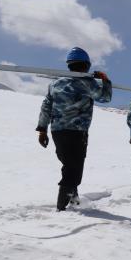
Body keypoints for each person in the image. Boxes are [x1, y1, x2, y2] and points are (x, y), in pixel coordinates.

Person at [36, 47, 112, 211]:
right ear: (86, 65)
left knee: (69, 165)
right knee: (74, 170)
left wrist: (42, 129)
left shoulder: (55, 84)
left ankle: (73, 197)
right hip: (77, 132)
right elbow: (105, 98)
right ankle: (61, 207)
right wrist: (105, 81)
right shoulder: (88, 83)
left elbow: (46, 107)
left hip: (57, 132)